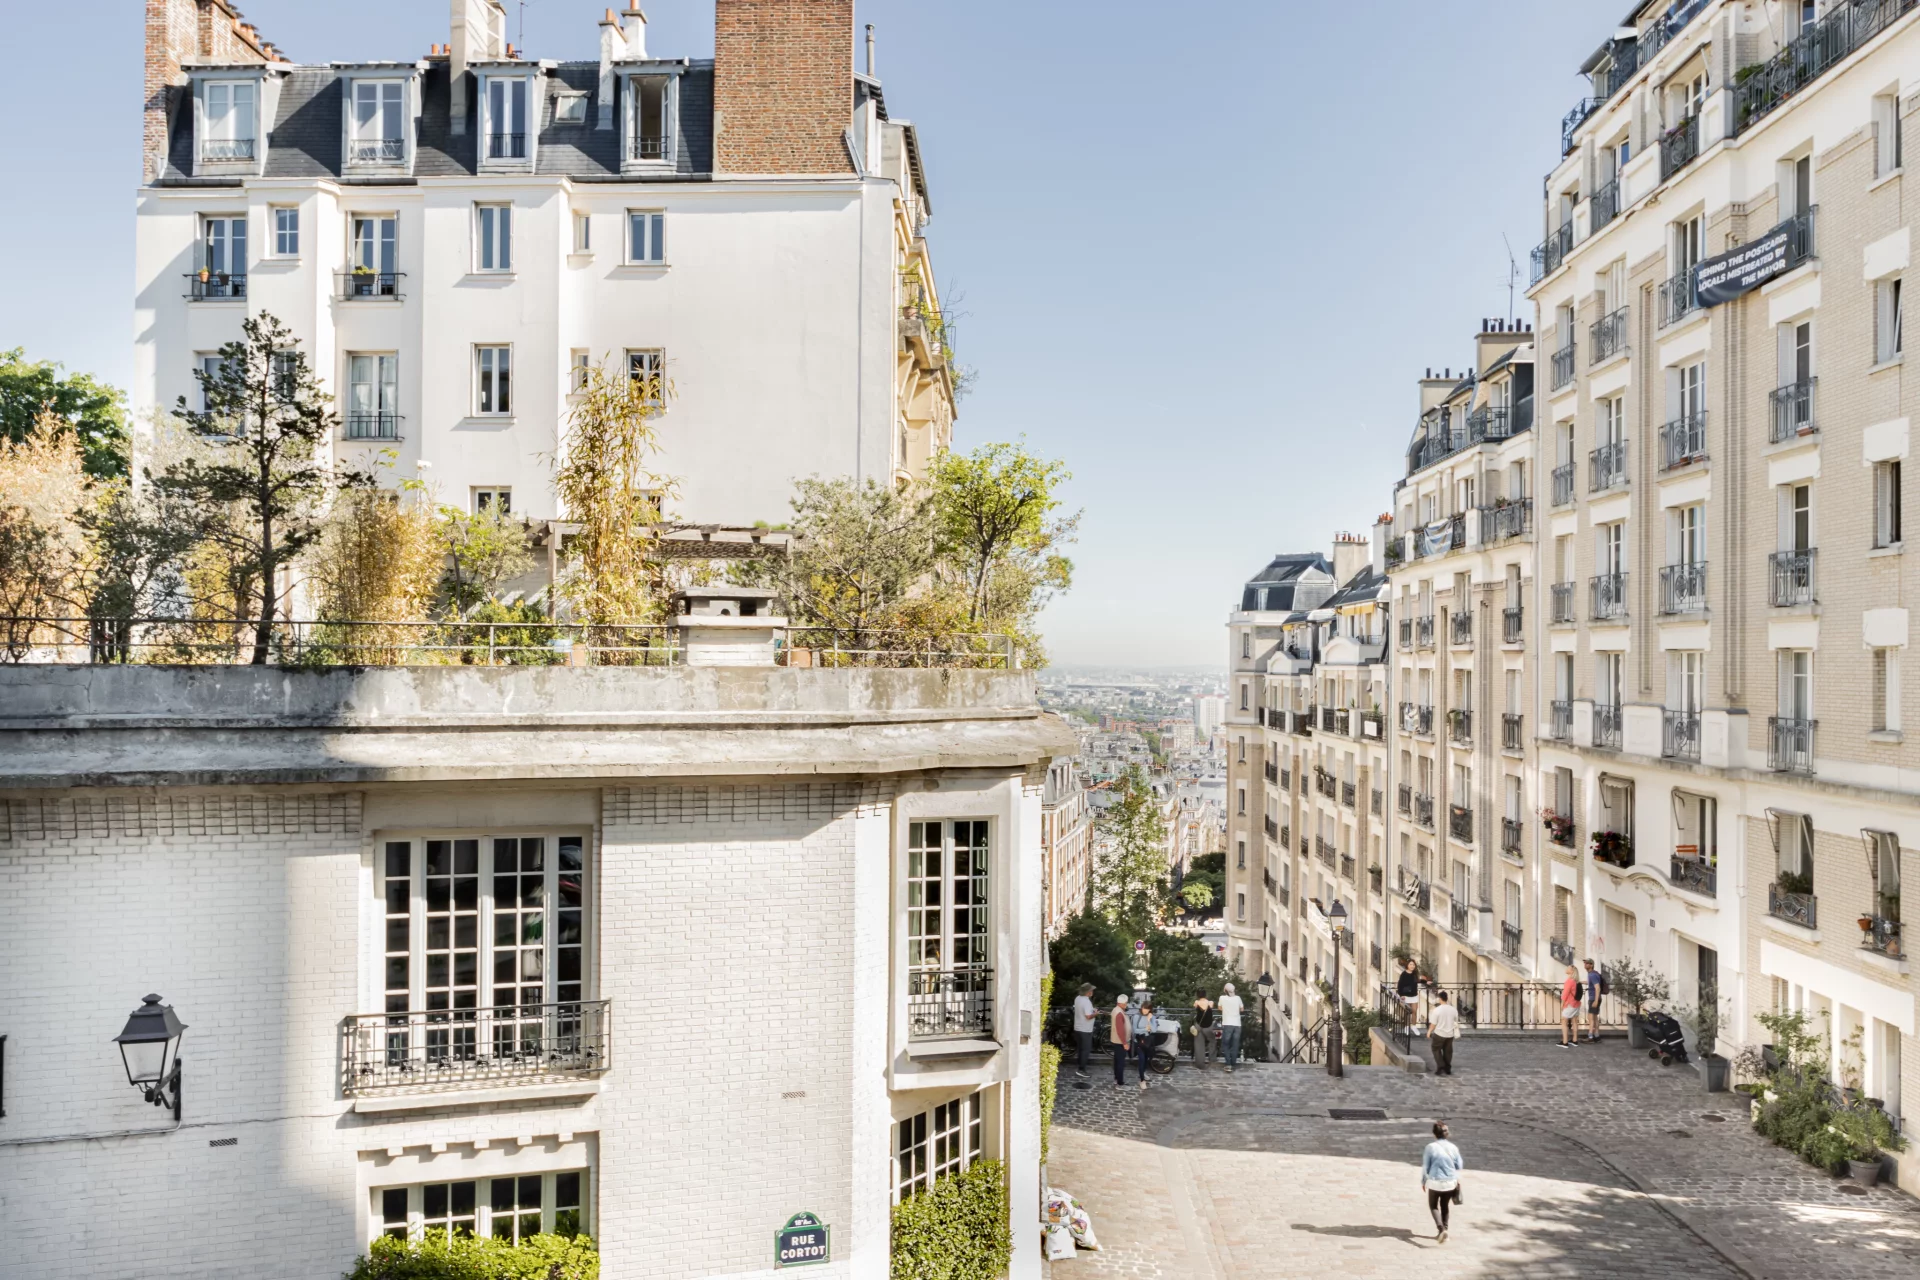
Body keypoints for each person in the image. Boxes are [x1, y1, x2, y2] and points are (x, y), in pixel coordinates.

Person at [1420, 1121, 1465, 1243]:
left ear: (1434, 1134)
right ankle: (1446, 1229)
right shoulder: (1453, 1148)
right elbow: (1459, 1165)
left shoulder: (1430, 1147)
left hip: (1435, 1182)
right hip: (1450, 1182)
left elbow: (1426, 1166)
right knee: (1445, 1206)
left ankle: (1441, 1229)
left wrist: (1423, 1181)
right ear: (1447, 1134)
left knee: (1433, 1206)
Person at [1429, 990, 1459, 1075]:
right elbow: (1455, 1021)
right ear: (1447, 998)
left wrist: (1429, 1032)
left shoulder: (1437, 1010)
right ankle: (1447, 1067)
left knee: (1435, 1049)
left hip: (1439, 1033)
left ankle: (1441, 1065)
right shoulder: (1453, 1009)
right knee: (1448, 1051)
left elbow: (1433, 1024)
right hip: (1450, 1034)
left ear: (1440, 999)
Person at [1217, 982, 1245, 1072]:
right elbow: (1242, 1009)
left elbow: (1219, 1008)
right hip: (1237, 1024)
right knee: (1235, 1044)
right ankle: (1233, 1062)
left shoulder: (1222, 998)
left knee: (1226, 1044)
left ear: (1225, 991)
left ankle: (1228, 1063)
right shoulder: (1238, 998)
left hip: (1227, 1023)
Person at [1072, 984, 1098, 1077]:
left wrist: (1091, 1010)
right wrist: (1095, 1013)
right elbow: (1088, 1016)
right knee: (1085, 1050)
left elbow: (1081, 1010)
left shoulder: (1078, 998)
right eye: (1091, 990)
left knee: (1080, 1049)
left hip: (1077, 1028)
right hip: (1085, 1029)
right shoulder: (1086, 1002)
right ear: (1088, 992)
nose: (1092, 991)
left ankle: (1079, 1067)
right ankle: (1081, 1070)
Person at [1131, 998, 1156, 1090]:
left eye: (1147, 1009)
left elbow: (1154, 1029)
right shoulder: (1137, 1017)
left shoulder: (1151, 1017)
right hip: (1139, 1041)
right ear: (1141, 1008)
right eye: (1144, 1008)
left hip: (1148, 1041)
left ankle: (1144, 1073)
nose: (1145, 1010)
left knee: (1146, 1059)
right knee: (1141, 1059)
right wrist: (1145, 1029)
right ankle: (1142, 1080)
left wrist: (1149, 1020)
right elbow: (1134, 1030)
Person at [1110, 993, 1133, 1088]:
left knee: (1117, 1061)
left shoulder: (1116, 1010)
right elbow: (1120, 1030)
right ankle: (1120, 1082)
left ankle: (1117, 1079)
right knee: (1120, 1062)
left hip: (1117, 1041)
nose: (1126, 1004)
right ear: (1123, 1003)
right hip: (1120, 1042)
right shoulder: (1119, 1013)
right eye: (1126, 1003)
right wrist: (1125, 1043)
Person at [1191, 993, 1219, 1067]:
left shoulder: (1196, 1002)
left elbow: (1195, 1007)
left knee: (1199, 1044)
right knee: (1212, 1041)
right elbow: (1211, 1007)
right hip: (1208, 1026)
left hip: (1198, 1025)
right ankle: (1212, 1058)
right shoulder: (1210, 1002)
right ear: (1206, 995)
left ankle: (1200, 1063)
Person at [1583, 959, 1607, 1043]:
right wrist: (1580, 982)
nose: (1585, 965)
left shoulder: (1592, 975)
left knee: (1591, 1018)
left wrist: (1595, 1001)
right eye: (1584, 963)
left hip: (1594, 998)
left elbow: (1597, 988)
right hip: (1596, 998)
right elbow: (1591, 983)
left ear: (1591, 965)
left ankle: (1590, 1037)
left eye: (1587, 963)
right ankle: (1597, 1036)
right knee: (1595, 1018)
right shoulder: (1593, 974)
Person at [1559, 964, 1583, 1048]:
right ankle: (1574, 1040)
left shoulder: (1569, 981)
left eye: (1568, 967)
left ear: (1572, 971)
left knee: (1564, 1022)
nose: (1567, 968)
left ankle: (1565, 1042)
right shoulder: (1576, 981)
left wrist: (1562, 1004)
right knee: (1574, 1021)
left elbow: (1565, 993)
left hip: (1570, 1004)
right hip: (1576, 1004)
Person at [1396, 958, 1421, 1029]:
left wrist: (1425, 982)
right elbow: (1400, 985)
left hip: (1414, 996)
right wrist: (1401, 995)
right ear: (1407, 965)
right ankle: (1406, 1027)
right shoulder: (1403, 974)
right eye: (1410, 964)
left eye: (1413, 965)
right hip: (1406, 996)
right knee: (1406, 1013)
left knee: (1414, 1012)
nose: (1412, 966)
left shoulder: (1415, 974)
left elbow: (1418, 981)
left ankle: (1414, 1026)